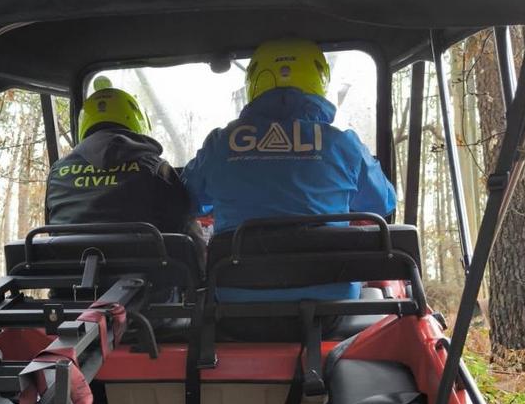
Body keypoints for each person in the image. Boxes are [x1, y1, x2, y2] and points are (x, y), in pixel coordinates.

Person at [181, 39, 396, 303]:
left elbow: (186, 201)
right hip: (330, 304)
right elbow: (382, 202)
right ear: (319, 80)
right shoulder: (342, 143)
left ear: (255, 81)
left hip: (236, 302)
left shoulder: (220, 143)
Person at [46, 82, 203, 256]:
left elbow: (53, 228)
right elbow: (183, 226)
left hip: (69, 275)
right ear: (135, 118)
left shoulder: (57, 172)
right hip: (146, 276)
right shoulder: (156, 168)